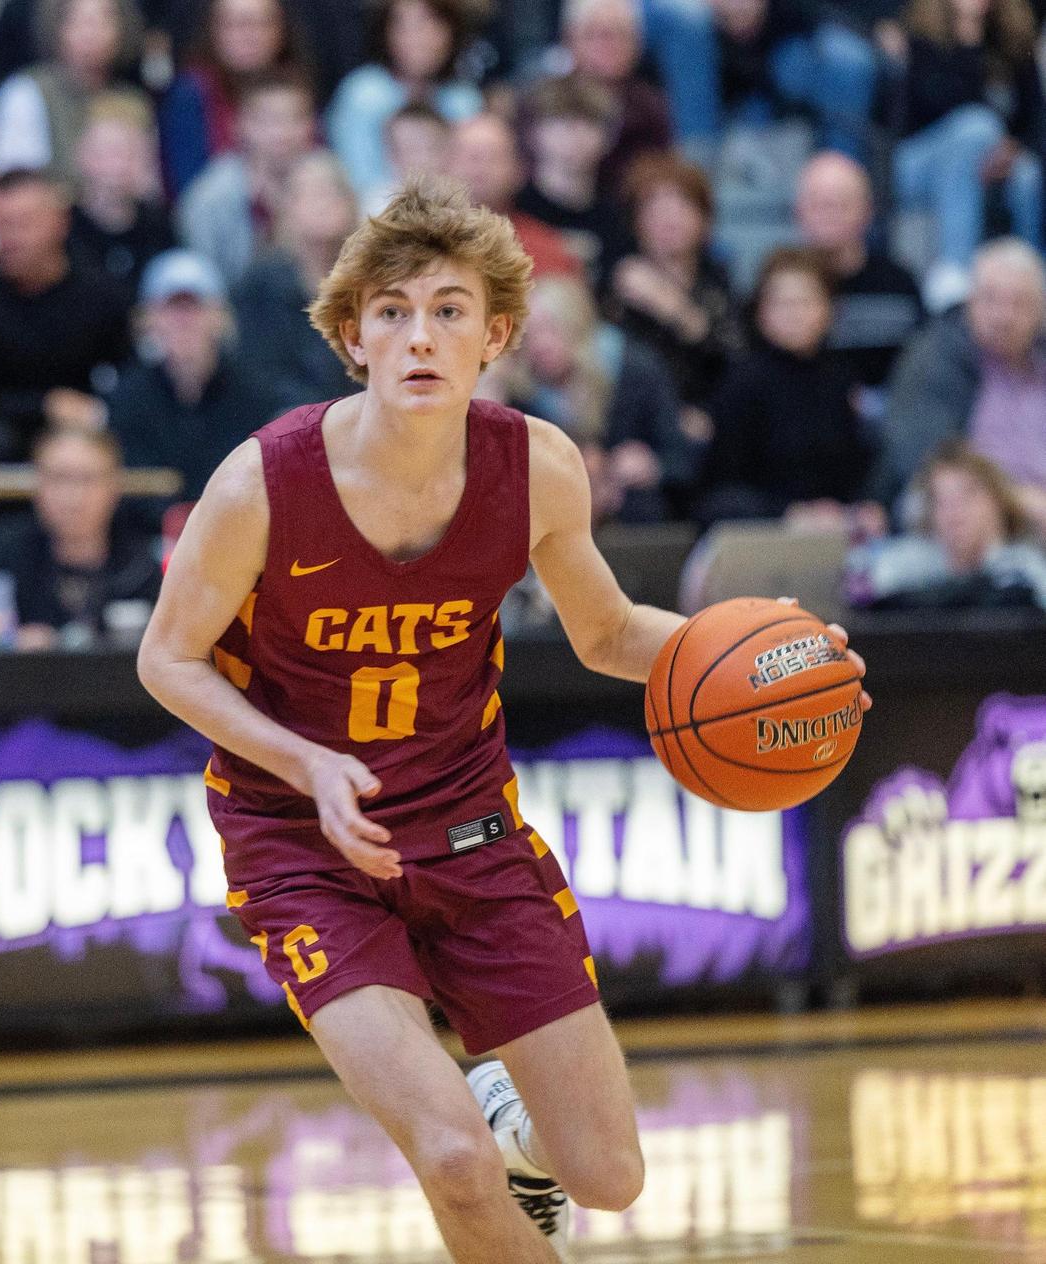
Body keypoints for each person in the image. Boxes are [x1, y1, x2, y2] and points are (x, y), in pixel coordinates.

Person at [137, 178, 871, 1262]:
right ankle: (485, 1137)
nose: (419, 335)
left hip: (469, 825)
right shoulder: (261, 483)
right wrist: (308, 763)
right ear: (352, 339)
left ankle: (518, 1126)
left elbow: (609, 632)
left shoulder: (536, 466)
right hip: (302, 837)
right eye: (391, 311)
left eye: (447, 309)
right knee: (452, 1160)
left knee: (609, 1177)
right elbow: (168, 657)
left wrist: (771, 664)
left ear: (499, 335)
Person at [0, 167, 132, 461]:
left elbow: (130, 375)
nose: (11, 238)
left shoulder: (103, 297)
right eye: (2, 225)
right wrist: (45, 405)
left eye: (24, 224)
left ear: (60, 223)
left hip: (90, 438)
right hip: (2, 444)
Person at [495, 273, 700, 522]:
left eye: (552, 329)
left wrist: (653, 465)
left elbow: (683, 459)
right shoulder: (519, 389)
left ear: (578, 326)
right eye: (530, 335)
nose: (540, 344)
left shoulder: (635, 370)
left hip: (632, 507)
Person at [697, 246, 878, 523]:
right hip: (764, 537)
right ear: (761, 313)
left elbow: (854, 473)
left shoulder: (841, 380)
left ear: (829, 309)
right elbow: (719, 496)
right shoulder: (741, 383)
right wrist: (789, 514)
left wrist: (863, 509)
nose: (795, 314)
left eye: (806, 301)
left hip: (834, 532)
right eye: (782, 303)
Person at [878, 237, 1046, 535]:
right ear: (969, 301)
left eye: (1018, 303)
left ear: (1039, 312)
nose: (1002, 316)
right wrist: (1016, 499)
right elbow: (926, 459)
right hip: (970, 510)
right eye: (990, 299)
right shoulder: (934, 356)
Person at [889, 0, 1046, 306]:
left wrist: (1012, 149)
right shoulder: (921, 36)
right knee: (976, 125)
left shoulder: (1011, 39)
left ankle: (1031, 279)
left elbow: (1036, 118)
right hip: (918, 158)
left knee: (1028, 173)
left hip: (992, 157)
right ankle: (956, 269)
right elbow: (939, 101)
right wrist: (969, 38)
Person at [0, 426, 162, 647]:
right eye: (59, 478)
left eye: (87, 479)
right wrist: (7, 639)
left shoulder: (142, 566)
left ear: (114, 486)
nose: (73, 496)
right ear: (38, 484)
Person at [108, 248, 279, 503]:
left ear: (220, 317)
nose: (183, 321)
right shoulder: (127, 398)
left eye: (194, 308)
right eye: (171, 309)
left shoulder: (257, 395)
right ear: (147, 320)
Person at [642, 0, 878, 160]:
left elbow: (824, 20)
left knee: (840, 59)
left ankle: (837, 179)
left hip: (782, 113)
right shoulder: (689, 28)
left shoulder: (795, 25)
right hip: (715, 117)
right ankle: (696, 176)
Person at [607, 150, 741, 408]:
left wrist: (672, 307)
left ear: (705, 220)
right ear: (636, 222)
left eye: (682, 206)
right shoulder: (618, 288)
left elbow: (733, 360)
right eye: (655, 208)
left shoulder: (719, 283)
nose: (669, 219)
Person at [231, 151, 361, 407]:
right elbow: (257, 377)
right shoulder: (260, 286)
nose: (323, 203)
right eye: (311, 193)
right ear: (288, 207)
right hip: (289, 425)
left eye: (333, 192)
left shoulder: (372, 282)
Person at [794, 151, 922, 408]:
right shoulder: (780, 287)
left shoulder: (900, 284)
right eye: (818, 203)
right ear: (798, 212)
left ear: (868, 210)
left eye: (840, 203)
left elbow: (920, 371)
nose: (829, 214)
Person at [848, 442, 1046, 608]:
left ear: (996, 502)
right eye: (941, 500)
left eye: (967, 495)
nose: (954, 511)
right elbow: (859, 590)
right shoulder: (910, 563)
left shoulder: (1025, 569)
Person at [324, 0, 483, 196]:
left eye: (431, 24)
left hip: (454, 212)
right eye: (403, 26)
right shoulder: (363, 94)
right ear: (385, 33)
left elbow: (473, 178)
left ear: (451, 31)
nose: (419, 38)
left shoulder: (464, 99)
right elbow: (356, 180)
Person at [176, 71, 317, 287]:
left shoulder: (330, 186)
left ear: (311, 125)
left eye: (294, 119)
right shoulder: (210, 198)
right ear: (241, 125)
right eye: (269, 120)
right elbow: (204, 284)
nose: (282, 133)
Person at [159, 0, 314, 197]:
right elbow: (191, 193)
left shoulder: (297, 84)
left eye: (262, 23)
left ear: (282, 30)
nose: (250, 36)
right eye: (236, 24)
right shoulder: (190, 93)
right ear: (213, 30)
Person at [0, 0, 152, 186]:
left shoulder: (133, 102)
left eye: (104, 19)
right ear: (57, 28)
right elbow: (19, 186)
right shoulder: (25, 93)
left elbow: (146, 186)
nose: (92, 32)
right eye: (80, 21)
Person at [516, 74, 633, 289]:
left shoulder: (615, 216)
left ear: (608, 138)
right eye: (561, 121)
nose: (575, 134)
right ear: (533, 133)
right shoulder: (514, 208)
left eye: (589, 123)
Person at [447, 111, 583, 281]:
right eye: (468, 155)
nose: (479, 166)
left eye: (492, 156)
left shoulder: (547, 250)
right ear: (444, 164)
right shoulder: (412, 242)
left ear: (518, 172)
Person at [68, 90, 175, 302]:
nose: (117, 166)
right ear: (81, 155)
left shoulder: (161, 227)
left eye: (130, 152)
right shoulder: (61, 229)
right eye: (108, 152)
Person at [551, 0, 672, 189]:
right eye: (596, 35)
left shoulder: (651, 108)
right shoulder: (545, 102)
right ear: (569, 39)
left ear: (637, 43)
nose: (608, 45)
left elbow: (655, 182)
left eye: (620, 34)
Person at [361, 102, 452, 217]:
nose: (422, 160)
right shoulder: (375, 211)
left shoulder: (472, 198)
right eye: (411, 149)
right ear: (391, 156)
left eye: (430, 148)